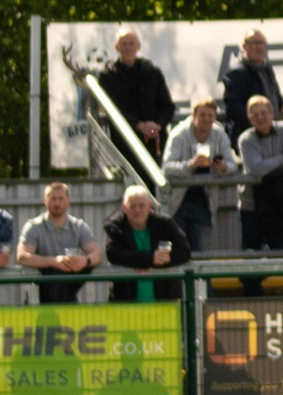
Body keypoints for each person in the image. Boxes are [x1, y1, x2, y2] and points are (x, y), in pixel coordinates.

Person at [236, 94, 283, 295]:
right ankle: (251, 298)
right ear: (249, 118)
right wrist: (281, 158)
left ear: (272, 113)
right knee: (251, 255)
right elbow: (255, 169)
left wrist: (269, 166)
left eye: (264, 113)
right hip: (251, 205)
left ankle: (246, 275)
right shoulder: (245, 139)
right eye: (255, 115)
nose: (260, 118)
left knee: (281, 253)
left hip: (280, 203)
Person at [160, 95, 234, 253]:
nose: (206, 119)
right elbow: (167, 168)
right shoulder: (179, 134)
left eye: (210, 115)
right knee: (178, 252)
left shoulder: (219, 135)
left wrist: (223, 167)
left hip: (205, 204)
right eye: (202, 115)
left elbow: (233, 165)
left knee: (202, 253)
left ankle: (202, 279)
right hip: (178, 203)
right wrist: (190, 165)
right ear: (193, 116)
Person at [96, 27, 175, 163]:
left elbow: (167, 107)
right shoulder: (108, 76)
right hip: (125, 141)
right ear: (117, 47)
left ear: (138, 46)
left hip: (155, 141)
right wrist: (139, 125)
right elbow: (111, 109)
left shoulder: (152, 72)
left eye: (131, 43)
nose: (127, 47)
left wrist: (157, 126)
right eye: (123, 44)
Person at [15, 182, 101, 304]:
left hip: (68, 290)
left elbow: (97, 254)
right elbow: (22, 257)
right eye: (53, 198)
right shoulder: (33, 226)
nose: (57, 203)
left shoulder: (79, 226)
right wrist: (54, 261)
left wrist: (84, 261)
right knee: (53, 274)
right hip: (41, 293)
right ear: (45, 201)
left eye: (61, 198)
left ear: (68, 200)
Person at [103, 184, 191, 302]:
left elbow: (184, 251)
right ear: (124, 207)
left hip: (164, 300)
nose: (137, 210)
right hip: (126, 301)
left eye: (141, 205)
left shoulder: (165, 223)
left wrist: (161, 260)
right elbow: (113, 254)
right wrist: (149, 259)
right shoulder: (115, 226)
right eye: (132, 206)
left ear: (150, 206)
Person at [221, 28, 283, 146]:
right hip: (251, 136)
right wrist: (260, 124)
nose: (259, 47)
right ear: (244, 47)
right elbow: (233, 107)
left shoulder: (267, 69)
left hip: (273, 134)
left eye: (262, 43)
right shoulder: (237, 73)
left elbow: (276, 95)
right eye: (254, 43)